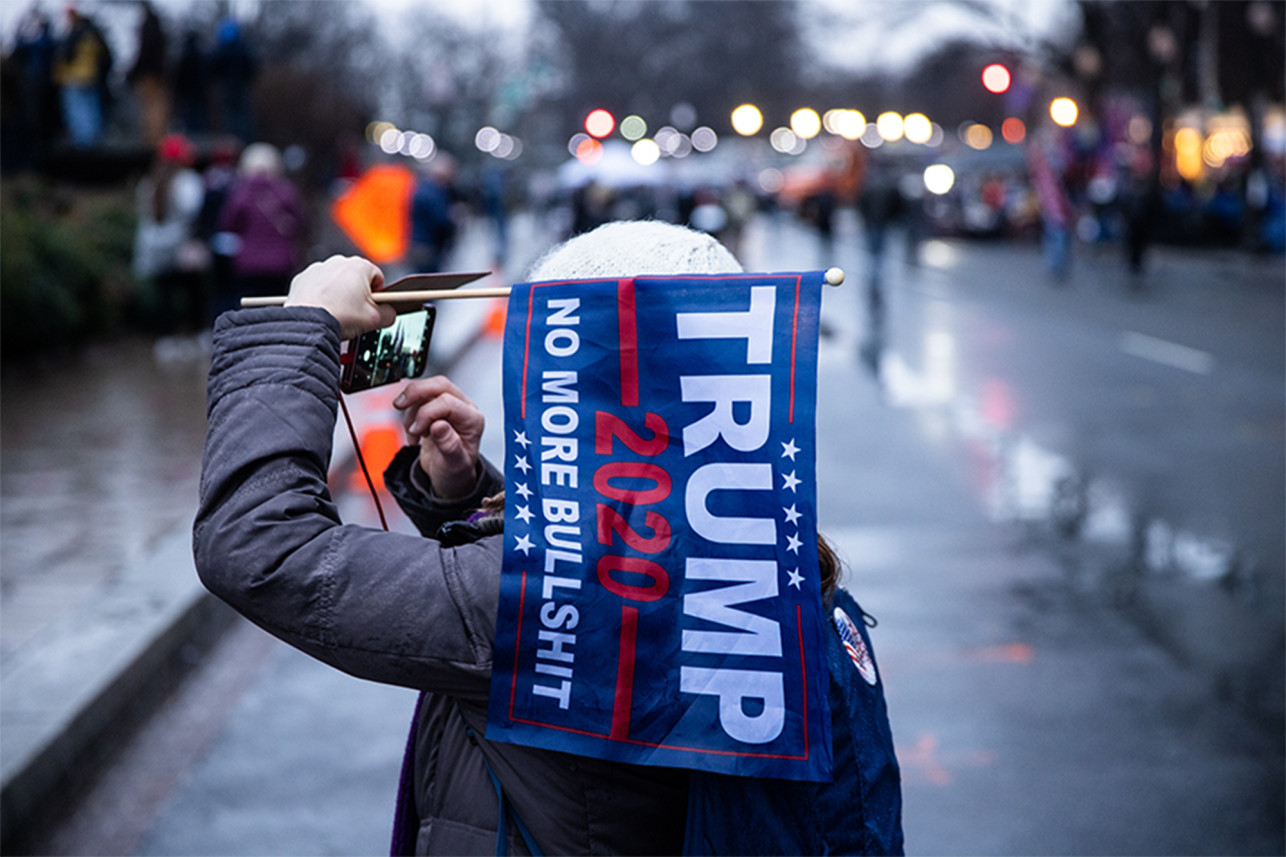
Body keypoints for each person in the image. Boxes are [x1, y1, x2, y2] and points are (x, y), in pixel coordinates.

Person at [194, 221, 901, 855]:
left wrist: (301, 327)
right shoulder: (762, 557)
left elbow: (262, 547)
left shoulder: (560, 591)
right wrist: (468, 497)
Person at [132, 132, 208, 340]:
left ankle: (167, 338)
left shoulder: (148, 183)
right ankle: (198, 333)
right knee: (193, 292)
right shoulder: (187, 181)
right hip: (180, 246)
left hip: (154, 247)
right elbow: (194, 211)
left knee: (164, 295)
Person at [217, 142, 307, 304]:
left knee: (252, 307)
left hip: (248, 263)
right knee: (278, 305)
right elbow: (300, 223)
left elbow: (229, 224)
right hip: (281, 262)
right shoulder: (285, 191)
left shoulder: (241, 193)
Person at [54, 7, 112, 147]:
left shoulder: (76, 34)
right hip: (91, 76)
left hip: (75, 77)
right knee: (91, 109)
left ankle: (82, 144)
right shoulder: (93, 34)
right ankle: (92, 140)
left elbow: (66, 55)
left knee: (77, 111)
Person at [126, 1, 168, 146]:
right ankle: (156, 138)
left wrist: (134, 71)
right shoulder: (159, 27)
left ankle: (153, 140)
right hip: (158, 72)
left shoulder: (148, 27)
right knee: (157, 106)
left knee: (150, 107)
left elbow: (144, 53)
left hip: (148, 73)